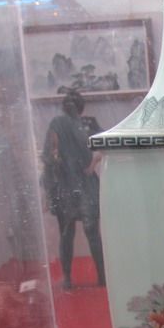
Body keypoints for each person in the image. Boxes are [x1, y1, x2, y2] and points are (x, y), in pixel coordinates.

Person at [42, 92, 105, 289]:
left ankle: (91, 278)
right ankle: (77, 278)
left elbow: (106, 144)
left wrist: (93, 163)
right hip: (71, 183)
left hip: (75, 183)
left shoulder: (79, 123)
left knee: (79, 233)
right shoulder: (65, 123)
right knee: (73, 233)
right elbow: (49, 156)